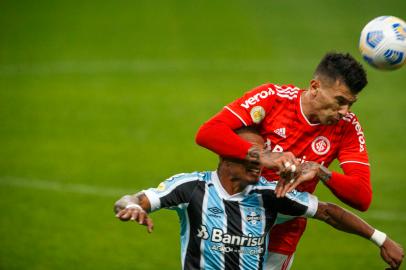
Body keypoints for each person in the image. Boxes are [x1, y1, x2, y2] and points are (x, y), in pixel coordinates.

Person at [114, 128, 403, 270]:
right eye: (252, 156)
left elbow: (327, 212)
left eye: (263, 154)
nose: (260, 162)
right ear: (225, 157)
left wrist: (381, 239)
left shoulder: (269, 196)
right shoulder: (191, 188)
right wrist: (129, 206)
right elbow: (134, 198)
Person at [195, 52, 375, 268]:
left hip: (282, 236)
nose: (345, 111)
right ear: (315, 87)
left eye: (351, 104)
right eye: (340, 101)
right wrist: (264, 157)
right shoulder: (273, 98)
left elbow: (362, 196)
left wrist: (320, 171)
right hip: (235, 220)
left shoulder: (347, 127)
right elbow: (208, 133)